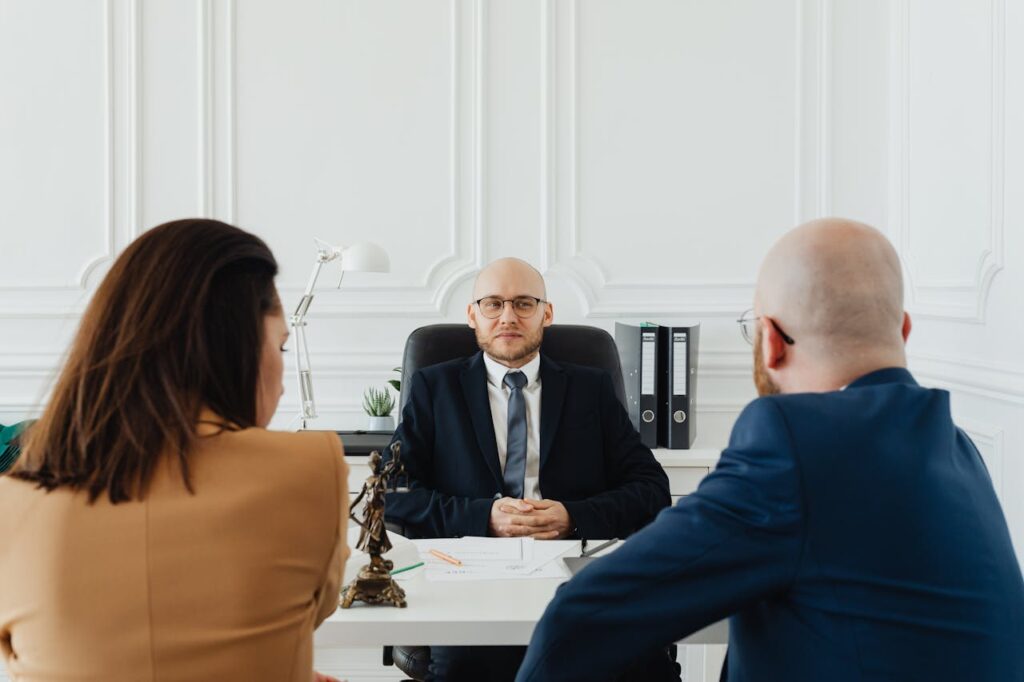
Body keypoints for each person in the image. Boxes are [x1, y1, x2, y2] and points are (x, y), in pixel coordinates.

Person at [515, 218, 1024, 681]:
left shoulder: (797, 441)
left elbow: (578, 619)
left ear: (770, 340)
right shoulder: (958, 449)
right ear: (904, 331)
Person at [0, 219, 350, 681]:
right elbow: (304, 612)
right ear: (237, 348)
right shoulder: (312, 467)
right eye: (281, 348)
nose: (284, 384)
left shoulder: (14, 499)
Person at [385, 257, 676, 681]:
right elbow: (393, 491)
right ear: (472, 315)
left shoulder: (590, 388)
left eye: (524, 303)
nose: (508, 317)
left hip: (571, 571)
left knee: (645, 663)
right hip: (472, 576)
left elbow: (652, 488)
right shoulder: (435, 388)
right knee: (465, 666)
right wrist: (483, 515)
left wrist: (573, 517)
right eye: (493, 304)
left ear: (547, 313)